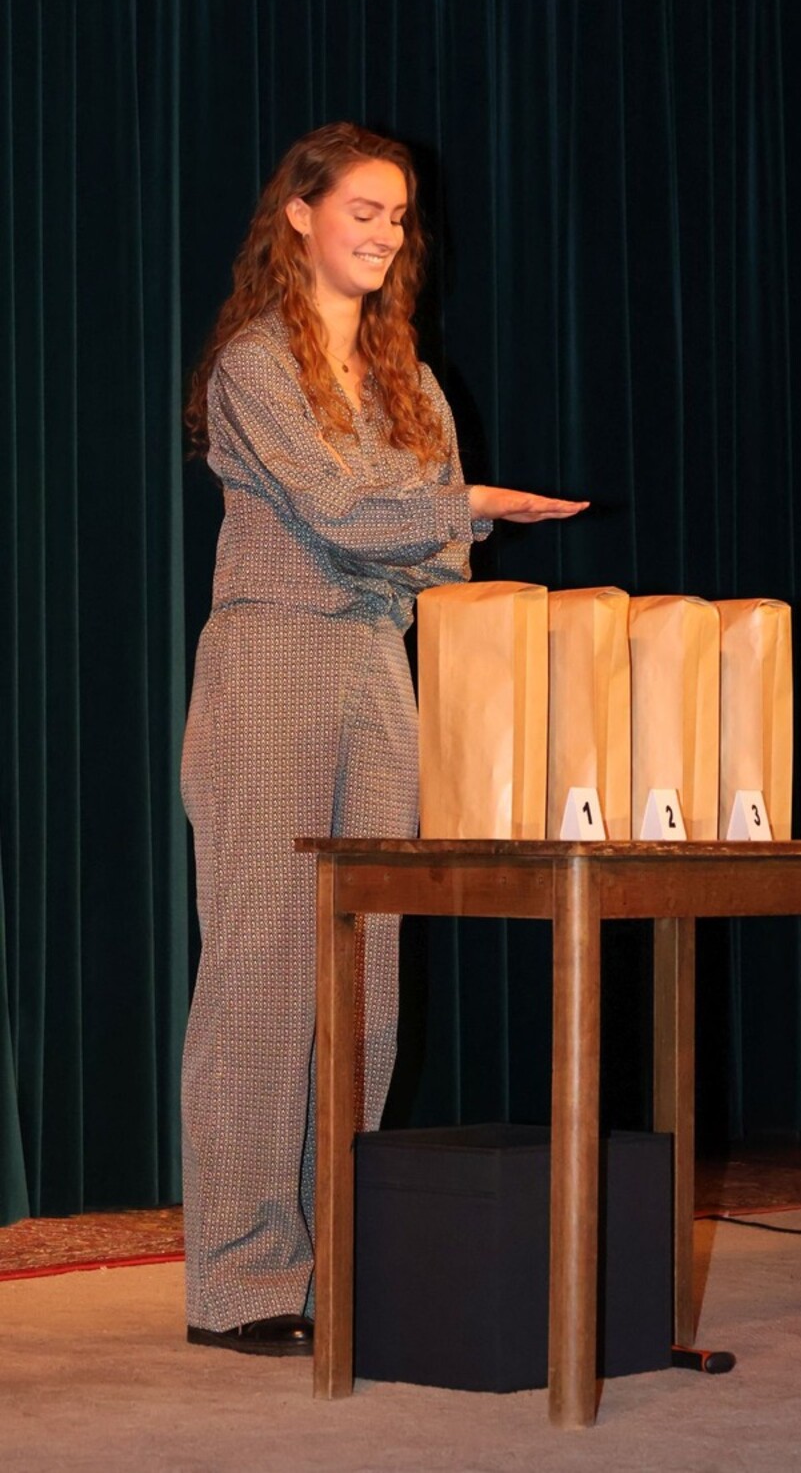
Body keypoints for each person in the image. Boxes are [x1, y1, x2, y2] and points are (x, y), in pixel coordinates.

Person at [180, 121, 586, 1356]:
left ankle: (341, 1264)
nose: (385, 233)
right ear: (300, 214)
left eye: (399, 217)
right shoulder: (255, 363)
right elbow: (345, 512)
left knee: (368, 971)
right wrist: (448, 509)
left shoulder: (409, 378)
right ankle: (242, 1282)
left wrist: (424, 523)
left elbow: (431, 556)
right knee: (262, 969)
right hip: (271, 657)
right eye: (363, 209)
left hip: (377, 666)